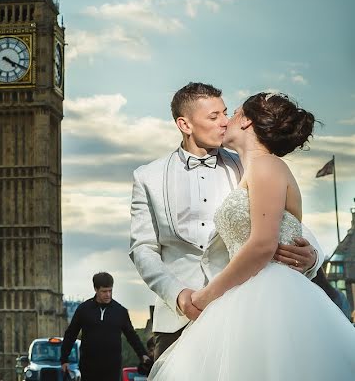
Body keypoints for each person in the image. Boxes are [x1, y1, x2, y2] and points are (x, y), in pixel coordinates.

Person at [149, 92, 355, 379]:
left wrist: (209, 295)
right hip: (234, 297)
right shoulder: (253, 167)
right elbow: (143, 249)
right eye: (215, 116)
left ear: (246, 121)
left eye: (230, 113)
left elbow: (263, 243)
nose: (225, 121)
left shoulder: (265, 165)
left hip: (266, 296)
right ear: (184, 124)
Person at [60, 272, 150, 381]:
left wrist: (143, 355)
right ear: (96, 289)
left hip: (112, 369)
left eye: (110, 291)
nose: (108, 294)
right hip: (89, 368)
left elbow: (131, 336)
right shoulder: (84, 309)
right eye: (104, 291)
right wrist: (64, 359)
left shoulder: (120, 311)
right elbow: (71, 334)